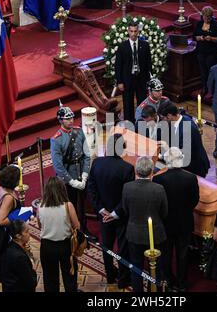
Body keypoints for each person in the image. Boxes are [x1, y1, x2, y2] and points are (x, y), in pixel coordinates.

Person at [88, 134, 134, 289]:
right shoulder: (127, 169)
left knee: (106, 246)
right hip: (120, 216)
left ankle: (109, 275)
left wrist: (101, 210)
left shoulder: (97, 163)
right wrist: (115, 213)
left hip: (103, 215)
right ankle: (123, 279)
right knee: (122, 248)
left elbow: (92, 189)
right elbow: (126, 196)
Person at [152, 147, 200, 291]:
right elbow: (195, 200)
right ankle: (182, 284)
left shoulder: (159, 178)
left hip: (166, 223)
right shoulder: (191, 178)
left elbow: (157, 203)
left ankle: (167, 281)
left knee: (165, 255)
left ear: (167, 161)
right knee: (183, 255)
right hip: (185, 222)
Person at [121, 156, 168, 292]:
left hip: (134, 233)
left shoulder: (127, 187)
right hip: (155, 233)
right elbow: (164, 212)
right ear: (152, 171)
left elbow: (125, 210)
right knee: (157, 267)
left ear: (136, 171)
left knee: (136, 267)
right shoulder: (159, 189)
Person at [50, 104, 92, 235]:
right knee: (70, 205)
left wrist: (85, 174)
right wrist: (71, 181)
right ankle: (73, 232)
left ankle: (84, 229)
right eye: (67, 119)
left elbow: (86, 154)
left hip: (81, 173)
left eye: (72, 118)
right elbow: (58, 166)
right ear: (61, 120)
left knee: (83, 204)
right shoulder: (56, 139)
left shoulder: (79, 131)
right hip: (68, 178)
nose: (71, 121)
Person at [38, 177, 80, 292]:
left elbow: (39, 225)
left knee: (50, 279)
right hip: (65, 246)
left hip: (47, 246)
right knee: (70, 277)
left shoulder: (40, 206)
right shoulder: (68, 205)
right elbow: (77, 226)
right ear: (62, 190)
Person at [158, 101, 210, 177]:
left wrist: (166, 150)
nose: (162, 121)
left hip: (194, 168)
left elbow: (183, 155)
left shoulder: (187, 129)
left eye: (163, 118)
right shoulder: (178, 120)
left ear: (169, 116)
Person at [115, 21, 152, 123]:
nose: (133, 34)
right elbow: (118, 65)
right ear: (128, 31)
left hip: (141, 79)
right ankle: (129, 124)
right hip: (127, 79)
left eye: (135, 31)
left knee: (142, 103)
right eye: (131, 31)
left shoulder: (144, 45)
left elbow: (148, 64)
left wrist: (149, 81)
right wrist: (120, 82)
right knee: (128, 103)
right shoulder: (122, 46)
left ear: (138, 31)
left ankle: (141, 122)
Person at [0, 165, 20, 281]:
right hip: (7, 235)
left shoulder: (2, 189)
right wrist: (18, 215)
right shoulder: (8, 197)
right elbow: (0, 220)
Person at [0, 220, 37, 292]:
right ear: (18, 236)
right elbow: (31, 282)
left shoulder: (8, 246)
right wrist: (33, 270)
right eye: (26, 231)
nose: (29, 234)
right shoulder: (20, 257)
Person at [193, 6, 217, 95]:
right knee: (203, 71)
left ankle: (212, 89)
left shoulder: (216, 25)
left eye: (208, 17)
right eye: (204, 17)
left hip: (211, 52)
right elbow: (194, 36)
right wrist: (199, 38)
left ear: (211, 16)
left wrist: (211, 38)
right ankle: (204, 87)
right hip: (201, 51)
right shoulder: (199, 23)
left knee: (211, 71)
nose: (206, 19)